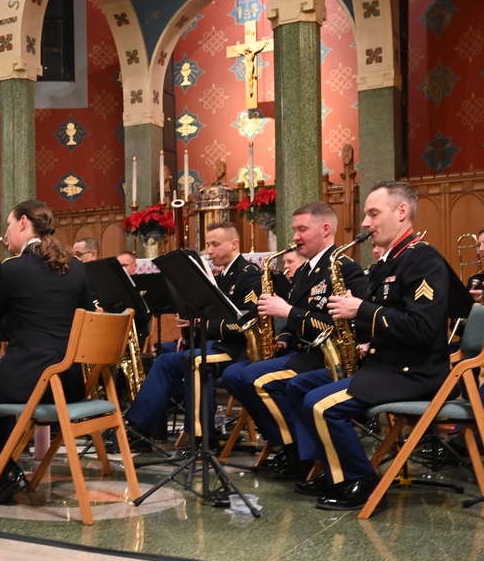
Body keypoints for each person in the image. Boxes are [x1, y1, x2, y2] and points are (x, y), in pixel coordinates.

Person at [289, 181, 451, 510]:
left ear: (402, 212)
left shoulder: (423, 259)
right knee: (302, 389)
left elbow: (421, 328)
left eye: (373, 214)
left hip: (414, 372)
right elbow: (385, 319)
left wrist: (360, 309)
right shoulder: (388, 262)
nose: (365, 223)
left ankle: (361, 482)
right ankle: (333, 471)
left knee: (323, 405)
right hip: (384, 366)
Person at [0, 200, 96, 504]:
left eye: (8, 226)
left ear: (24, 223)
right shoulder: (77, 267)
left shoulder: (11, 268)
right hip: (70, 381)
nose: (6, 233)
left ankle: (5, 471)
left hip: (29, 379)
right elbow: (87, 317)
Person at [221, 202, 368, 478]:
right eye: (295, 230)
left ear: (325, 230)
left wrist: (287, 312)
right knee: (233, 375)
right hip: (302, 351)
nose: (295, 236)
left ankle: (295, 449)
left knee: (255, 377)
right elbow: (295, 317)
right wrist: (285, 337)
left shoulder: (345, 268)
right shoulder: (305, 271)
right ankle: (286, 443)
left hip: (326, 357)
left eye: (302, 229)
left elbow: (347, 327)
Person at [124, 222, 260, 450]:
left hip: (236, 349)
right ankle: (141, 429)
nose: (210, 251)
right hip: (212, 343)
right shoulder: (218, 275)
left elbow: (246, 324)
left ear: (234, 244)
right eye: (208, 245)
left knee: (192, 361)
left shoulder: (250, 275)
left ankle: (202, 436)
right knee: (164, 353)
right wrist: (190, 333)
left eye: (215, 244)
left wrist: (201, 325)